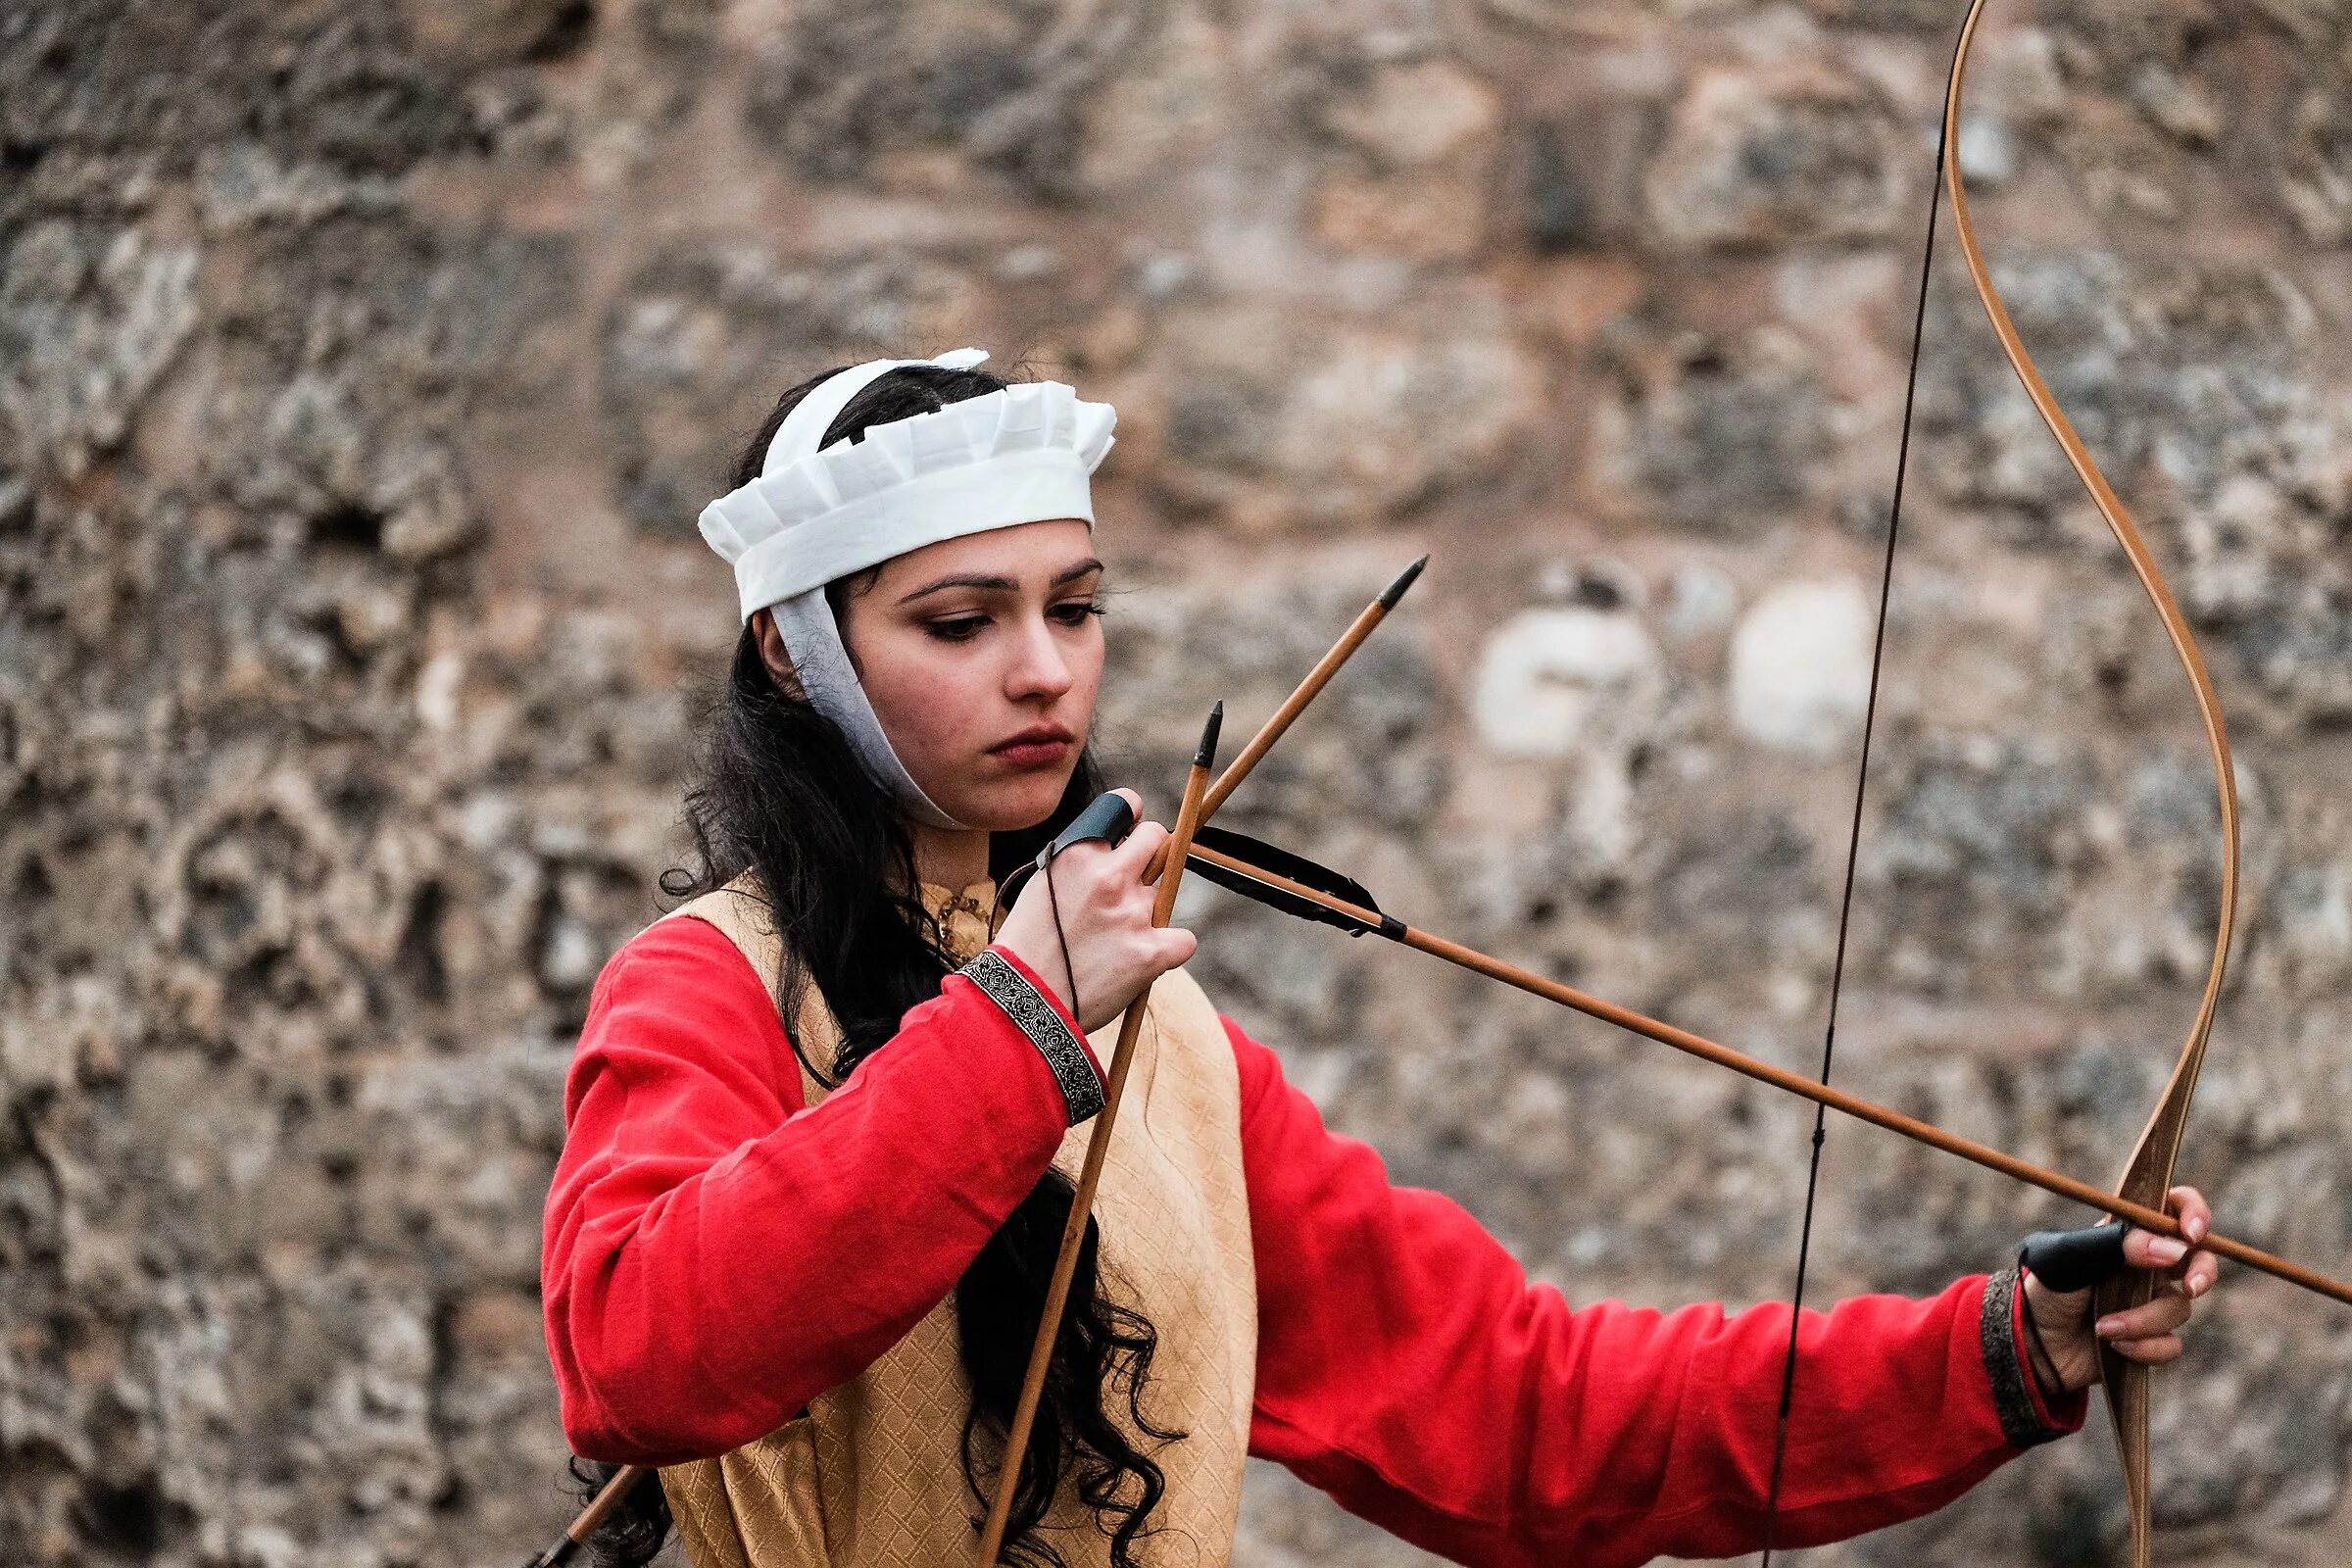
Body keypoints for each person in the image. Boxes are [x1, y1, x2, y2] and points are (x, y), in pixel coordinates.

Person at [537, 349, 2220, 1568]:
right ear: (795, 648)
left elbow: (1520, 1420)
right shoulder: (713, 985)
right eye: (961, 624)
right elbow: (634, 1353)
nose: (1047, 673)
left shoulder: (1163, 1039)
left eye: (1078, 605)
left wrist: (2008, 1352)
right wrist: (1018, 1020)